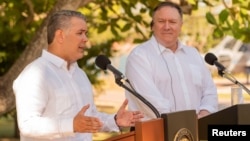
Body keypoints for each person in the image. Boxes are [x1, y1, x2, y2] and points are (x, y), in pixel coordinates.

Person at [12, 10, 144, 141]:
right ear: (60, 36)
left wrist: (115, 120)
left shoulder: (79, 74)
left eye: (86, 33)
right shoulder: (35, 74)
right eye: (80, 33)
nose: (86, 39)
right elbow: (27, 125)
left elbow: (90, 117)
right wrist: (71, 125)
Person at [125, 1, 218, 121]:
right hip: (155, 134)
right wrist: (186, 121)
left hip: (194, 131)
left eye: (173, 22)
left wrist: (204, 114)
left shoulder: (193, 54)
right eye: (161, 21)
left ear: (181, 25)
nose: (167, 27)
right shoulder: (139, 57)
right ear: (153, 25)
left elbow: (209, 91)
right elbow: (150, 102)